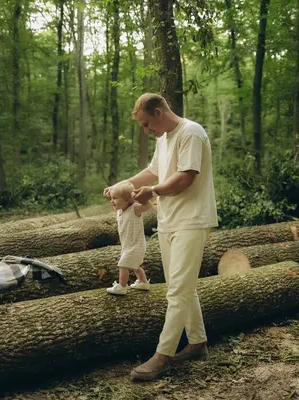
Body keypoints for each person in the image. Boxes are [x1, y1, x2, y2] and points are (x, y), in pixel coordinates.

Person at [103, 93, 218, 381]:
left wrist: (152, 192)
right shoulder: (163, 138)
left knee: (177, 290)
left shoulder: (191, 132)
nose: (146, 130)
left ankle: (162, 355)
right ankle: (197, 343)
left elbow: (186, 176)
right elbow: (153, 171)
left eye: (146, 124)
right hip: (169, 221)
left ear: (158, 111)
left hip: (192, 220)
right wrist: (121, 185)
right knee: (184, 287)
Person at [106, 181, 152, 295]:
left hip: (136, 245)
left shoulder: (134, 209)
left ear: (127, 200)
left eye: (115, 198)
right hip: (128, 245)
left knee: (123, 264)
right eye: (111, 198)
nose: (112, 201)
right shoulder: (120, 211)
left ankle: (122, 286)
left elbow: (148, 206)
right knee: (136, 266)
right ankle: (143, 282)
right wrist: (113, 193)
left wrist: (142, 198)